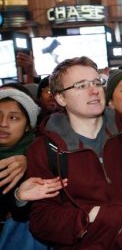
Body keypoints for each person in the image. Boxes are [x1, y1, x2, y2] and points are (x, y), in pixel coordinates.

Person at [25, 56, 122, 249]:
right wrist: (92, 217)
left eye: (97, 82)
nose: (94, 91)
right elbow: (41, 220)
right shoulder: (45, 149)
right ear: (60, 97)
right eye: (81, 86)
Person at [0, 87, 66, 249]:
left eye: (14, 118)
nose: (3, 124)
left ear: (28, 125)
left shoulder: (42, 156)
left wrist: (19, 198)